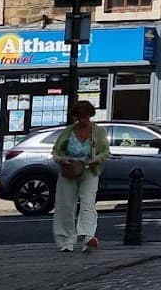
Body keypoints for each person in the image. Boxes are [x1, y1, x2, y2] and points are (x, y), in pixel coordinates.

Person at [51, 100, 109, 253]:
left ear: (90, 116)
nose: (82, 120)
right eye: (79, 117)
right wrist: (61, 159)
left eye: (85, 117)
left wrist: (95, 159)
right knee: (65, 206)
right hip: (69, 170)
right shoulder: (68, 131)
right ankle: (65, 241)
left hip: (90, 171)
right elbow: (56, 151)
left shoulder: (98, 132)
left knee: (88, 203)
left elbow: (105, 152)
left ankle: (88, 236)